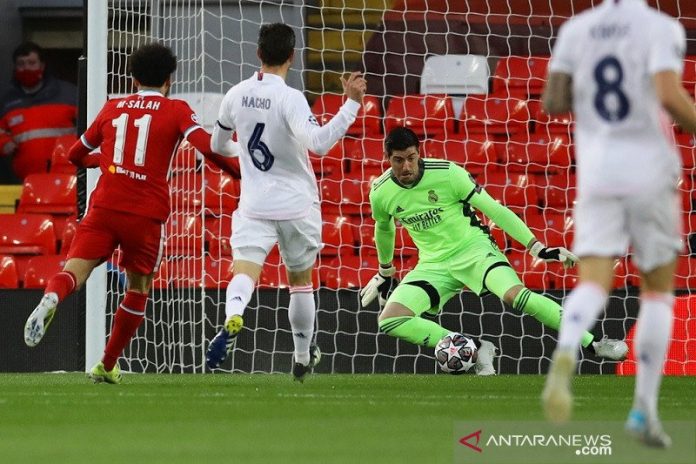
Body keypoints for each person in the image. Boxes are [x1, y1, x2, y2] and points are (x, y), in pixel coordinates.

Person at [23, 43, 238, 384]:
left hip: (104, 205)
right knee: (138, 288)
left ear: (133, 78)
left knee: (74, 272)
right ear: (169, 79)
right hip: (145, 214)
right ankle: (107, 365)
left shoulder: (113, 107)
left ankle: (52, 296)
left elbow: (76, 154)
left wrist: (108, 163)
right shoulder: (176, 109)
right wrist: (241, 172)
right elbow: (207, 147)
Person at [540, 0, 696, 448]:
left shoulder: (577, 29)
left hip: (598, 172)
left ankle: (568, 346)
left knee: (592, 282)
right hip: (649, 170)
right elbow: (667, 93)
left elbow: (553, 102)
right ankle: (643, 410)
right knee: (657, 292)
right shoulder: (659, 27)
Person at [360, 127, 629, 375]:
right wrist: (385, 270)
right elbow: (384, 228)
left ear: (420, 153)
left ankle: (594, 344)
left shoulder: (448, 174)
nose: (406, 166)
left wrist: (537, 247)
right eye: (398, 160)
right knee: (390, 320)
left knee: (516, 296)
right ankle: (476, 348)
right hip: (433, 264)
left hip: (476, 251)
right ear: (387, 158)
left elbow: (495, 210)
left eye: (411, 158)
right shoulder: (381, 192)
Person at [206, 23, 366, 382]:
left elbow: (218, 146)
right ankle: (300, 357)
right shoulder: (290, 97)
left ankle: (234, 313)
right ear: (292, 57)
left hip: (254, 205)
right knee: (300, 282)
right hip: (296, 206)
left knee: (244, 271)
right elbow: (320, 143)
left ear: (258, 54)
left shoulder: (235, 94)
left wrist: (243, 152)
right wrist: (351, 105)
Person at [0, 42, 77, 183]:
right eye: (21, 64)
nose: (26, 68)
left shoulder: (69, 95)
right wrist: (4, 142)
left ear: (42, 66)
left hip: (67, 179)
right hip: (23, 181)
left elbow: (90, 125)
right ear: (15, 67)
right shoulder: (7, 101)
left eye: (31, 63)